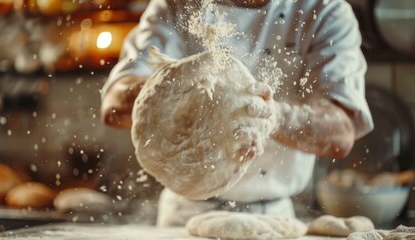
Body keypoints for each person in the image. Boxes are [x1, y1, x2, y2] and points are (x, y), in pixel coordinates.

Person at [100, 0, 374, 227]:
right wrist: (179, 88)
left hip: (271, 220)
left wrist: (272, 116)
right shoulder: (177, 4)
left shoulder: (323, 10)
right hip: (184, 217)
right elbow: (114, 106)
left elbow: (340, 133)